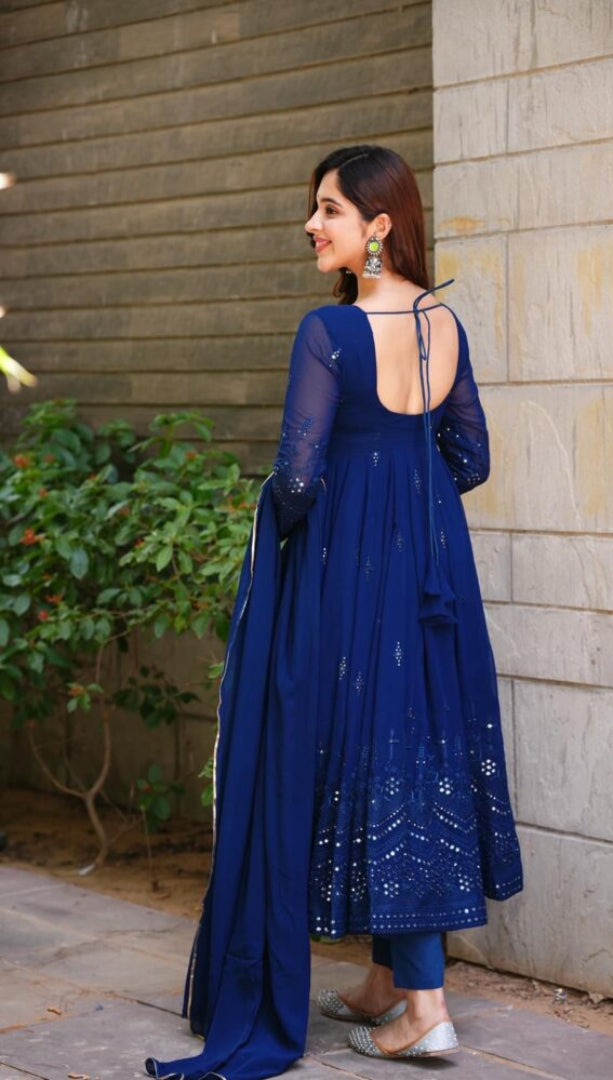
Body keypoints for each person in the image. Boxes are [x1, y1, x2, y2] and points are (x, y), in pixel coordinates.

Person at [144, 145, 523, 1080]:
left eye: (328, 211)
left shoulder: (328, 329)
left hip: (351, 572)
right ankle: (386, 982)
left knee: (363, 748)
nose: (313, 226)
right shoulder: (445, 325)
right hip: (433, 572)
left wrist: (318, 498)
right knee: (415, 746)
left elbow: (300, 476)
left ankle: (426, 1013)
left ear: (378, 226)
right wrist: (407, 475)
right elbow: (470, 460)